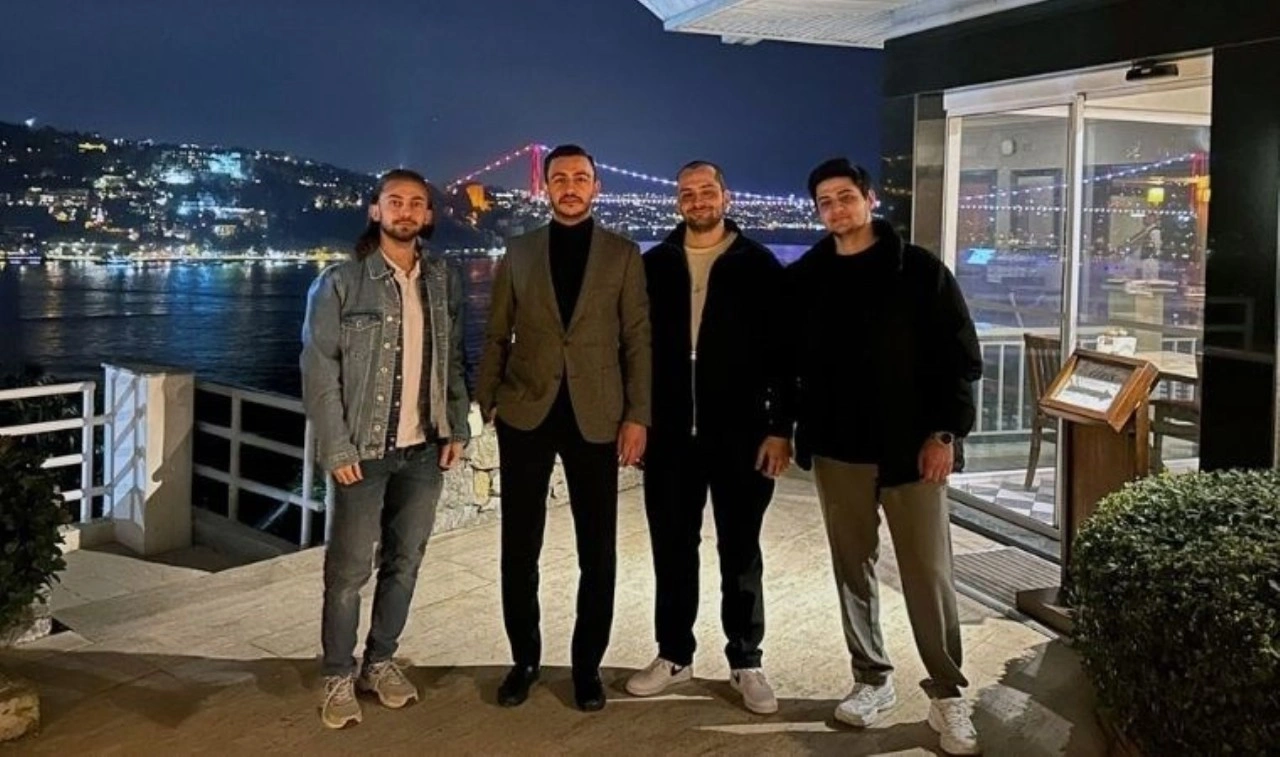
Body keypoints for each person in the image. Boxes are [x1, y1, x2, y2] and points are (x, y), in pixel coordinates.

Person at [789, 158, 983, 755]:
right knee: (853, 569)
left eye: (845, 196)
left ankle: (948, 693)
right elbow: (786, 364)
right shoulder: (807, 277)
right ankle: (871, 678)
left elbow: (959, 358)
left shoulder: (920, 271)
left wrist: (946, 434)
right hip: (838, 450)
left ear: (869, 199)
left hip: (913, 450)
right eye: (825, 201)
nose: (836, 209)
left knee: (928, 573)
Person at [474, 144, 651, 712]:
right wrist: (485, 400)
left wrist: (638, 415)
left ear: (596, 186)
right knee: (518, 547)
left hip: (597, 415)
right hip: (526, 411)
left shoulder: (624, 254)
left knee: (597, 552)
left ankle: (586, 667)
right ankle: (524, 660)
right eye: (559, 178)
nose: (570, 186)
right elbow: (496, 333)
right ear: (545, 186)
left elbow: (637, 341)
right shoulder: (519, 251)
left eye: (580, 177)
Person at [301, 168, 471, 729]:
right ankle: (336, 672)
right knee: (348, 572)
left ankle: (379, 661)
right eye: (394, 201)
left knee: (405, 562)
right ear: (375, 210)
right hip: (364, 452)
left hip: (424, 451)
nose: (405, 211)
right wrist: (338, 448)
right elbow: (319, 372)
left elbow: (453, 361)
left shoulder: (443, 279)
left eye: (416, 203)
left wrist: (456, 427)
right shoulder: (340, 283)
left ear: (428, 216)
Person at [626, 160, 791, 715]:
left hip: (741, 436)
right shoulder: (653, 265)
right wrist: (637, 418)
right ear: (678, 201)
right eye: (687, 193)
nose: (697, 200)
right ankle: (674, 654)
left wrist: (779, 428)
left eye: (706, 191)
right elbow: (633, 351)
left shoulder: (759, 264)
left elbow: (784, 356)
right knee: (672, 550)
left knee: (740, 552)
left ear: (725, 196)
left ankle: (746, 659)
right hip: (670, 437)